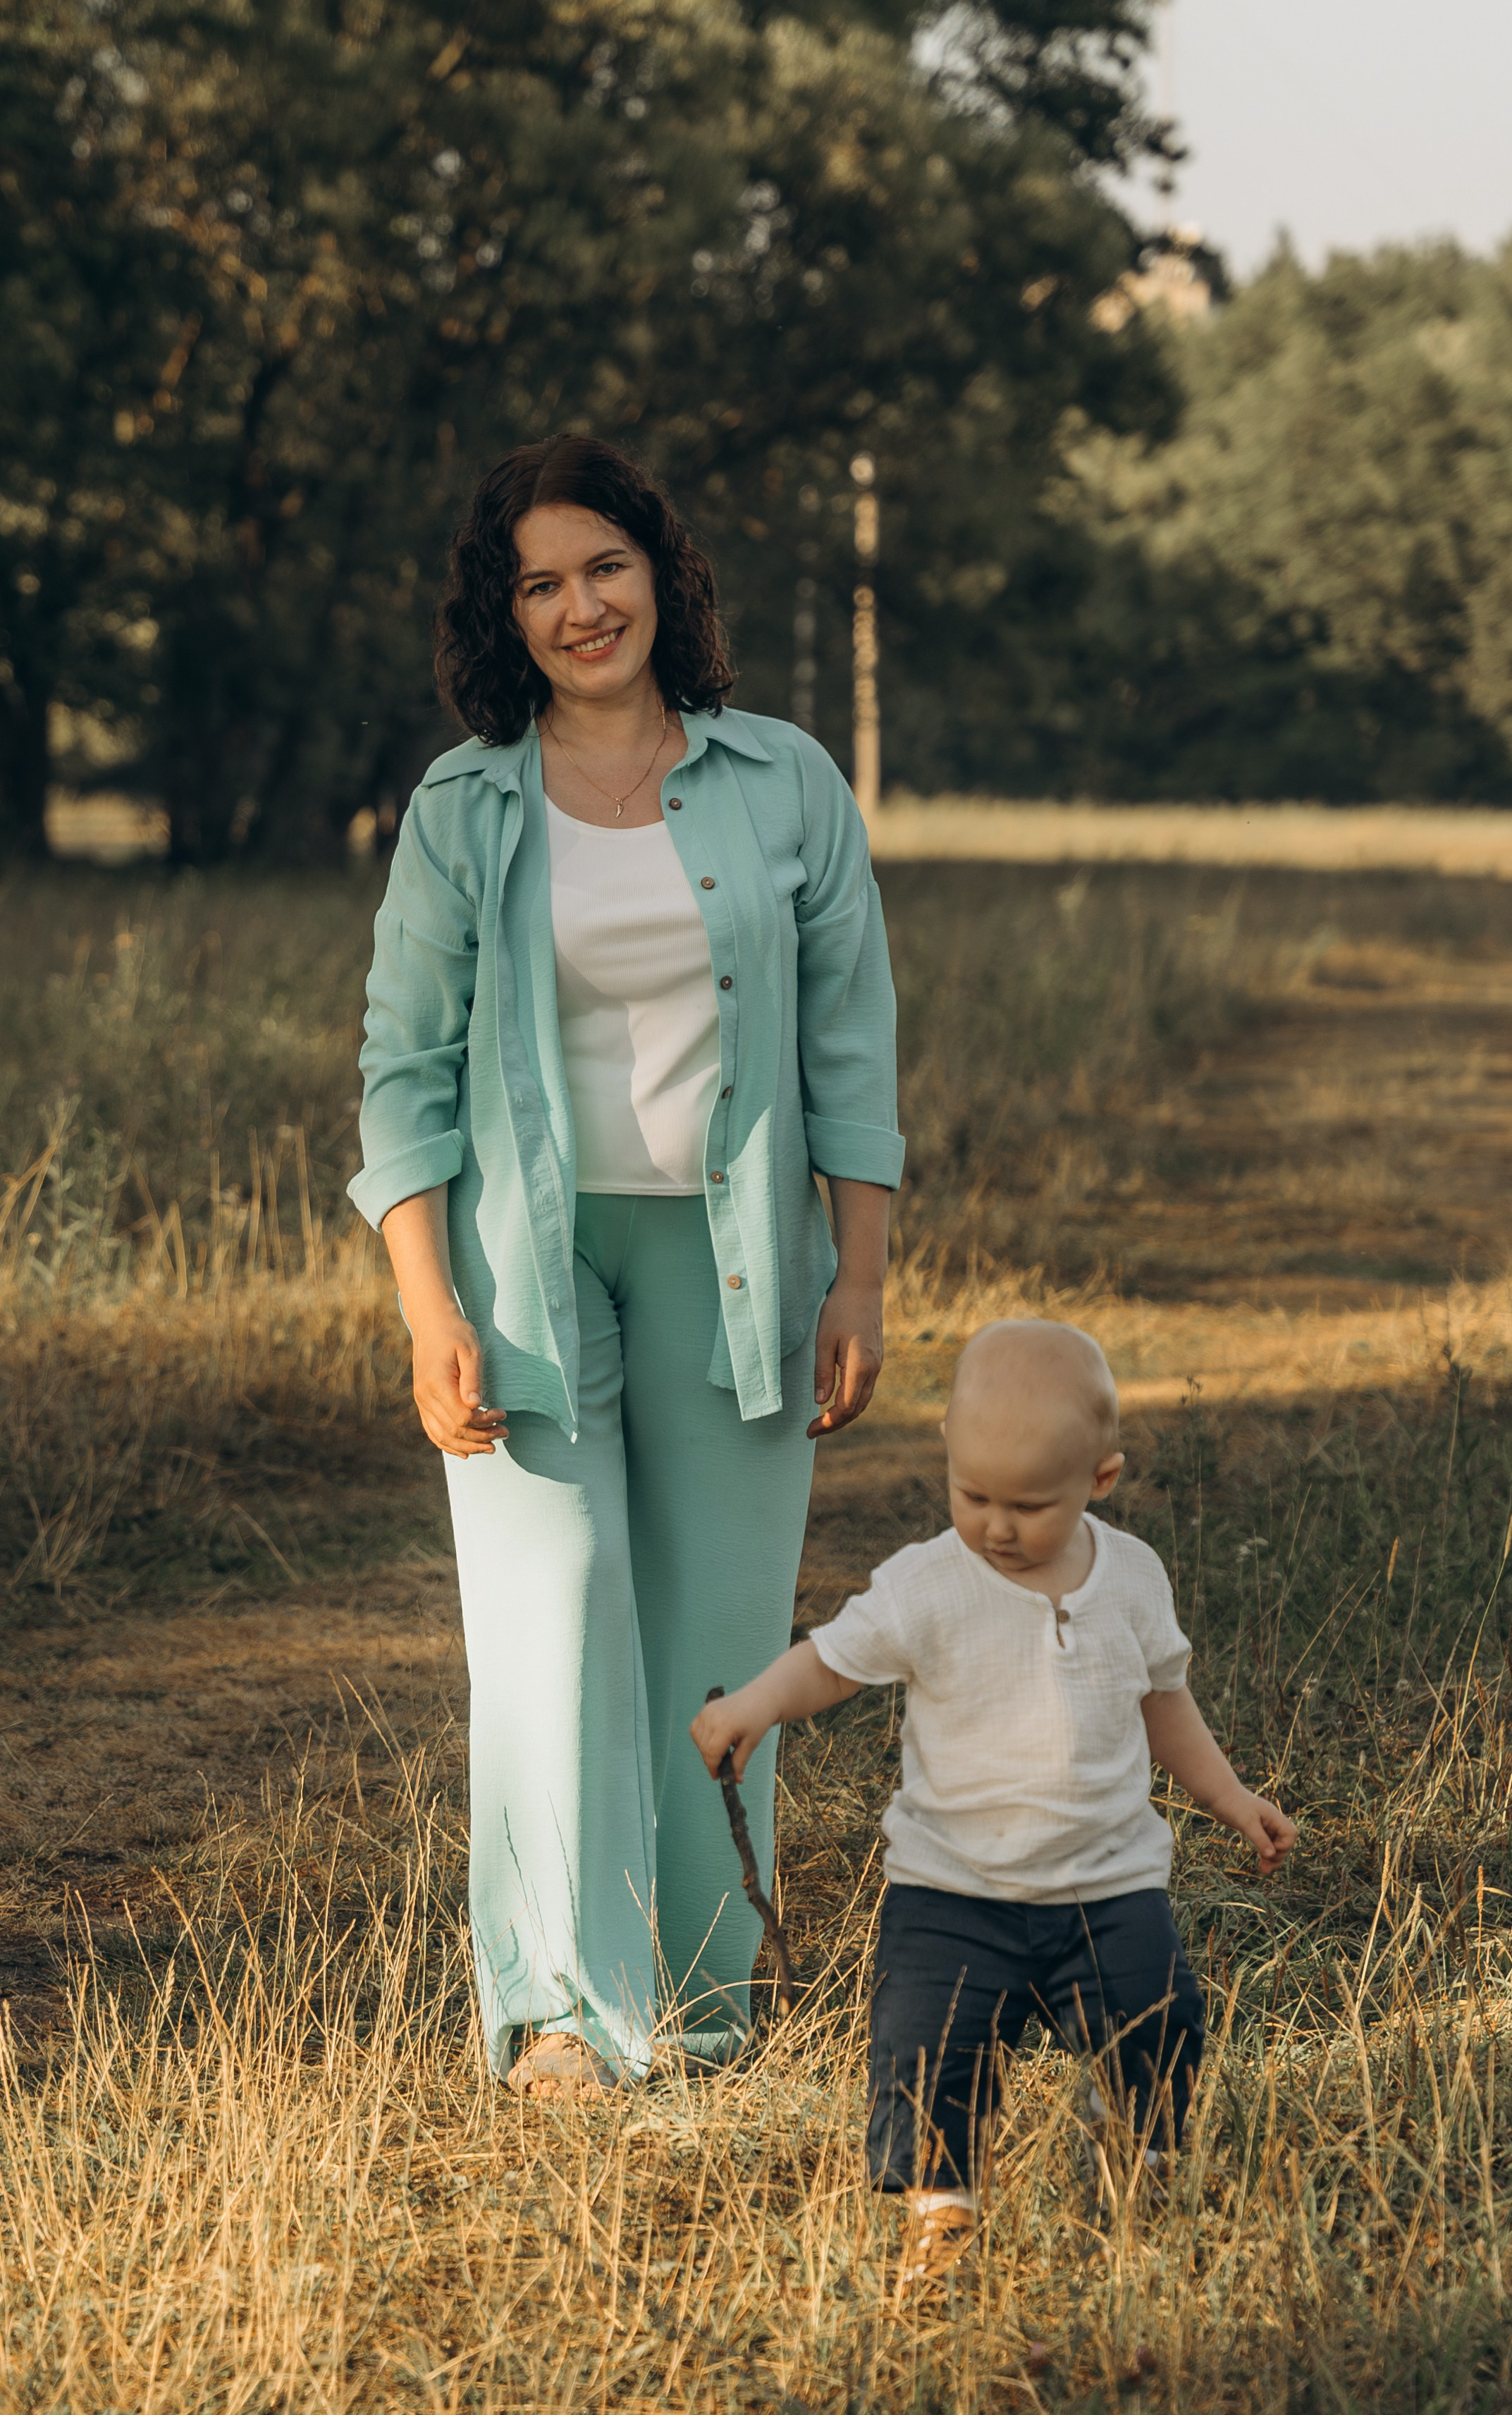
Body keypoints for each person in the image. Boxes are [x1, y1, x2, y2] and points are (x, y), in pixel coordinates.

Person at [350, 434, 902, 2095]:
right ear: (502, 617)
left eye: (604, 566)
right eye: (539, 583)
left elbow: (850, 1044)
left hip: (738, 1258)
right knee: (554, 1611)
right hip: (523, 1265)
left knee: (719, 1642)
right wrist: (426, 1304)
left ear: (660, 574)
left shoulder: (786, 780)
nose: (580, 606)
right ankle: (558, 2018)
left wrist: (856, 1280)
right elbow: (400, 1069)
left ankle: (701, 2001)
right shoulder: (463, 806)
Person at [692, 1319, 1296, 2267]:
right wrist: (758, 1706)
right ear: (947, 1453)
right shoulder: (929, 1582)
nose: (996, 1525)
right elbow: (833, 1660)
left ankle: (1130, 2158)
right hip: (951, 1891)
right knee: (925, 2048)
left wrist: (1230, 1797)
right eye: (972, 1494)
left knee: (1160, 2018)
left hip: (1108, 1886)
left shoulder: (1133, 1577)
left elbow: (1165, 1705)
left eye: (1028, 1504)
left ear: (1100, 1479)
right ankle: (943, 2206)